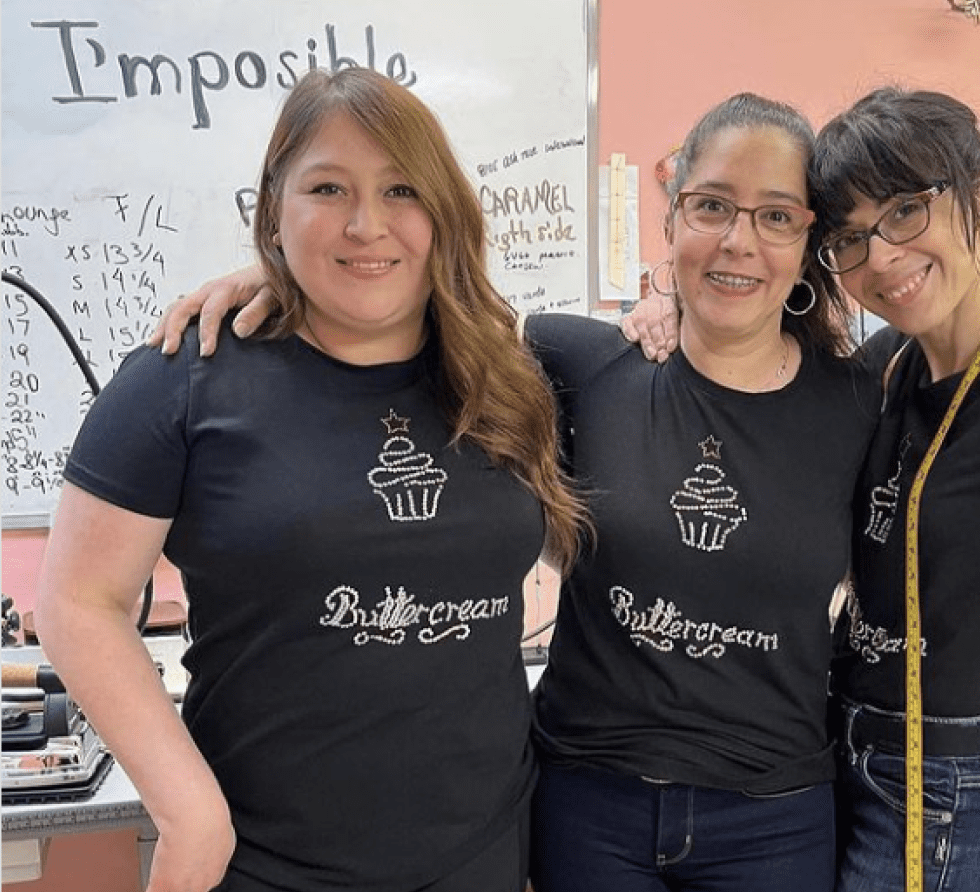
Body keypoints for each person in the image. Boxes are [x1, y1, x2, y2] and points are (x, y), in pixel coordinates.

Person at [148, 92, 882, 892]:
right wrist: (282, 268)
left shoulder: (859, 404)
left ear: (809, 237)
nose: (739, 240)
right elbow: (413, 301)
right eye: (711, 207)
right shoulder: (579, 362)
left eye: (776, 216)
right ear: (671, 219)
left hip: (773, 818)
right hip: (589, 805)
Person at [35, 67, 588, 892]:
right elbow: (78, 602)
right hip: (265, 864)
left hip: (483, 855)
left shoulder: (505, 379)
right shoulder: (185, 380)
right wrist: (191, 816)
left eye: (401, 188)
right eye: (327, 188)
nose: (367, 224)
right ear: (272, 207)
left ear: (442, 210)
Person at [627, 87, 980, 892]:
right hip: (850, 756)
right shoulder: (891, 362)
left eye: (906, 211)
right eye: (850, 237)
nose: (880, 258)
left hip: (957, 794)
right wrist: (667, 303)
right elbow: (758, 369)